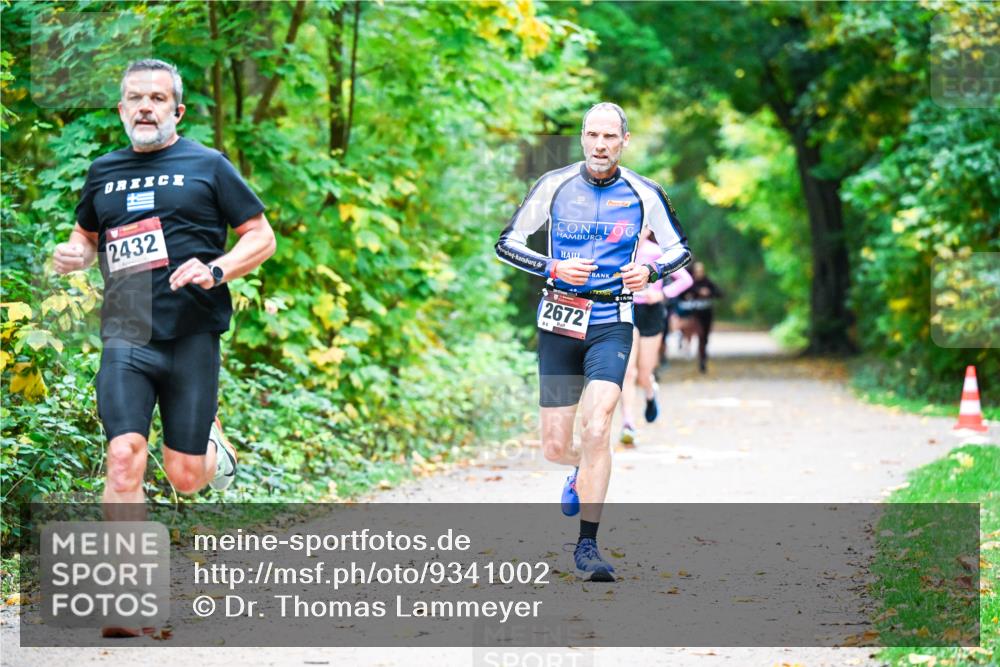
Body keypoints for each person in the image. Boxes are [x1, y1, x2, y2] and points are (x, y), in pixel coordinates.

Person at [52, 60, 276, 634]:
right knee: (123, 456)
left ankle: (209, 442)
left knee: (184, 476)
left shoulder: (208, 166)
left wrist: (217, 269)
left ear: (177, 110)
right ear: (122, 110)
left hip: (191, 336)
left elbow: (261, 235)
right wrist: (77, 253)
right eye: (135, 98)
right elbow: (86, 234)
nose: (145, 106)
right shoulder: (103, 172)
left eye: (157, 97)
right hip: (126, 333)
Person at [495, 102, 691, 581]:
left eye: (609, 137)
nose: (600, 145)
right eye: (592, 136)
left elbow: (680, 249)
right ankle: (579, 473)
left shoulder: (645, 192)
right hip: (560, 319)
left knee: (598, 429)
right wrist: (552, 267)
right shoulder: (554, 186)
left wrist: (651, 269)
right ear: (582, 138)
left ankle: (587, 546)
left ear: (624, 141)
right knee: (557, 445)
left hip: (612, 318)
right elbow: (507, 242)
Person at [618, 229, 692, 445]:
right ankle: (628, 423)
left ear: (649, 229)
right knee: (628, 372)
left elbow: (685, 279)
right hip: (625, 310)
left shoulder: (656, 251)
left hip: (651, 313)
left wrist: (661, 294)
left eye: (641, 226)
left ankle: (650, 394)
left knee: (643, 375)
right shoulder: (619, 251)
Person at [676, 262, 723, 373]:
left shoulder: (708, 281)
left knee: (704, 338)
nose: (699, 273)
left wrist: (709, 293)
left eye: (701, 271)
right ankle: (684, 341)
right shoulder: (689, 282)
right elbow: (681, 294)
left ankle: (702, 359)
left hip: (706, 313)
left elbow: (719, 293)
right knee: (698, 332)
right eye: (697, 271)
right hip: (693, 313)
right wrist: (696, 293)